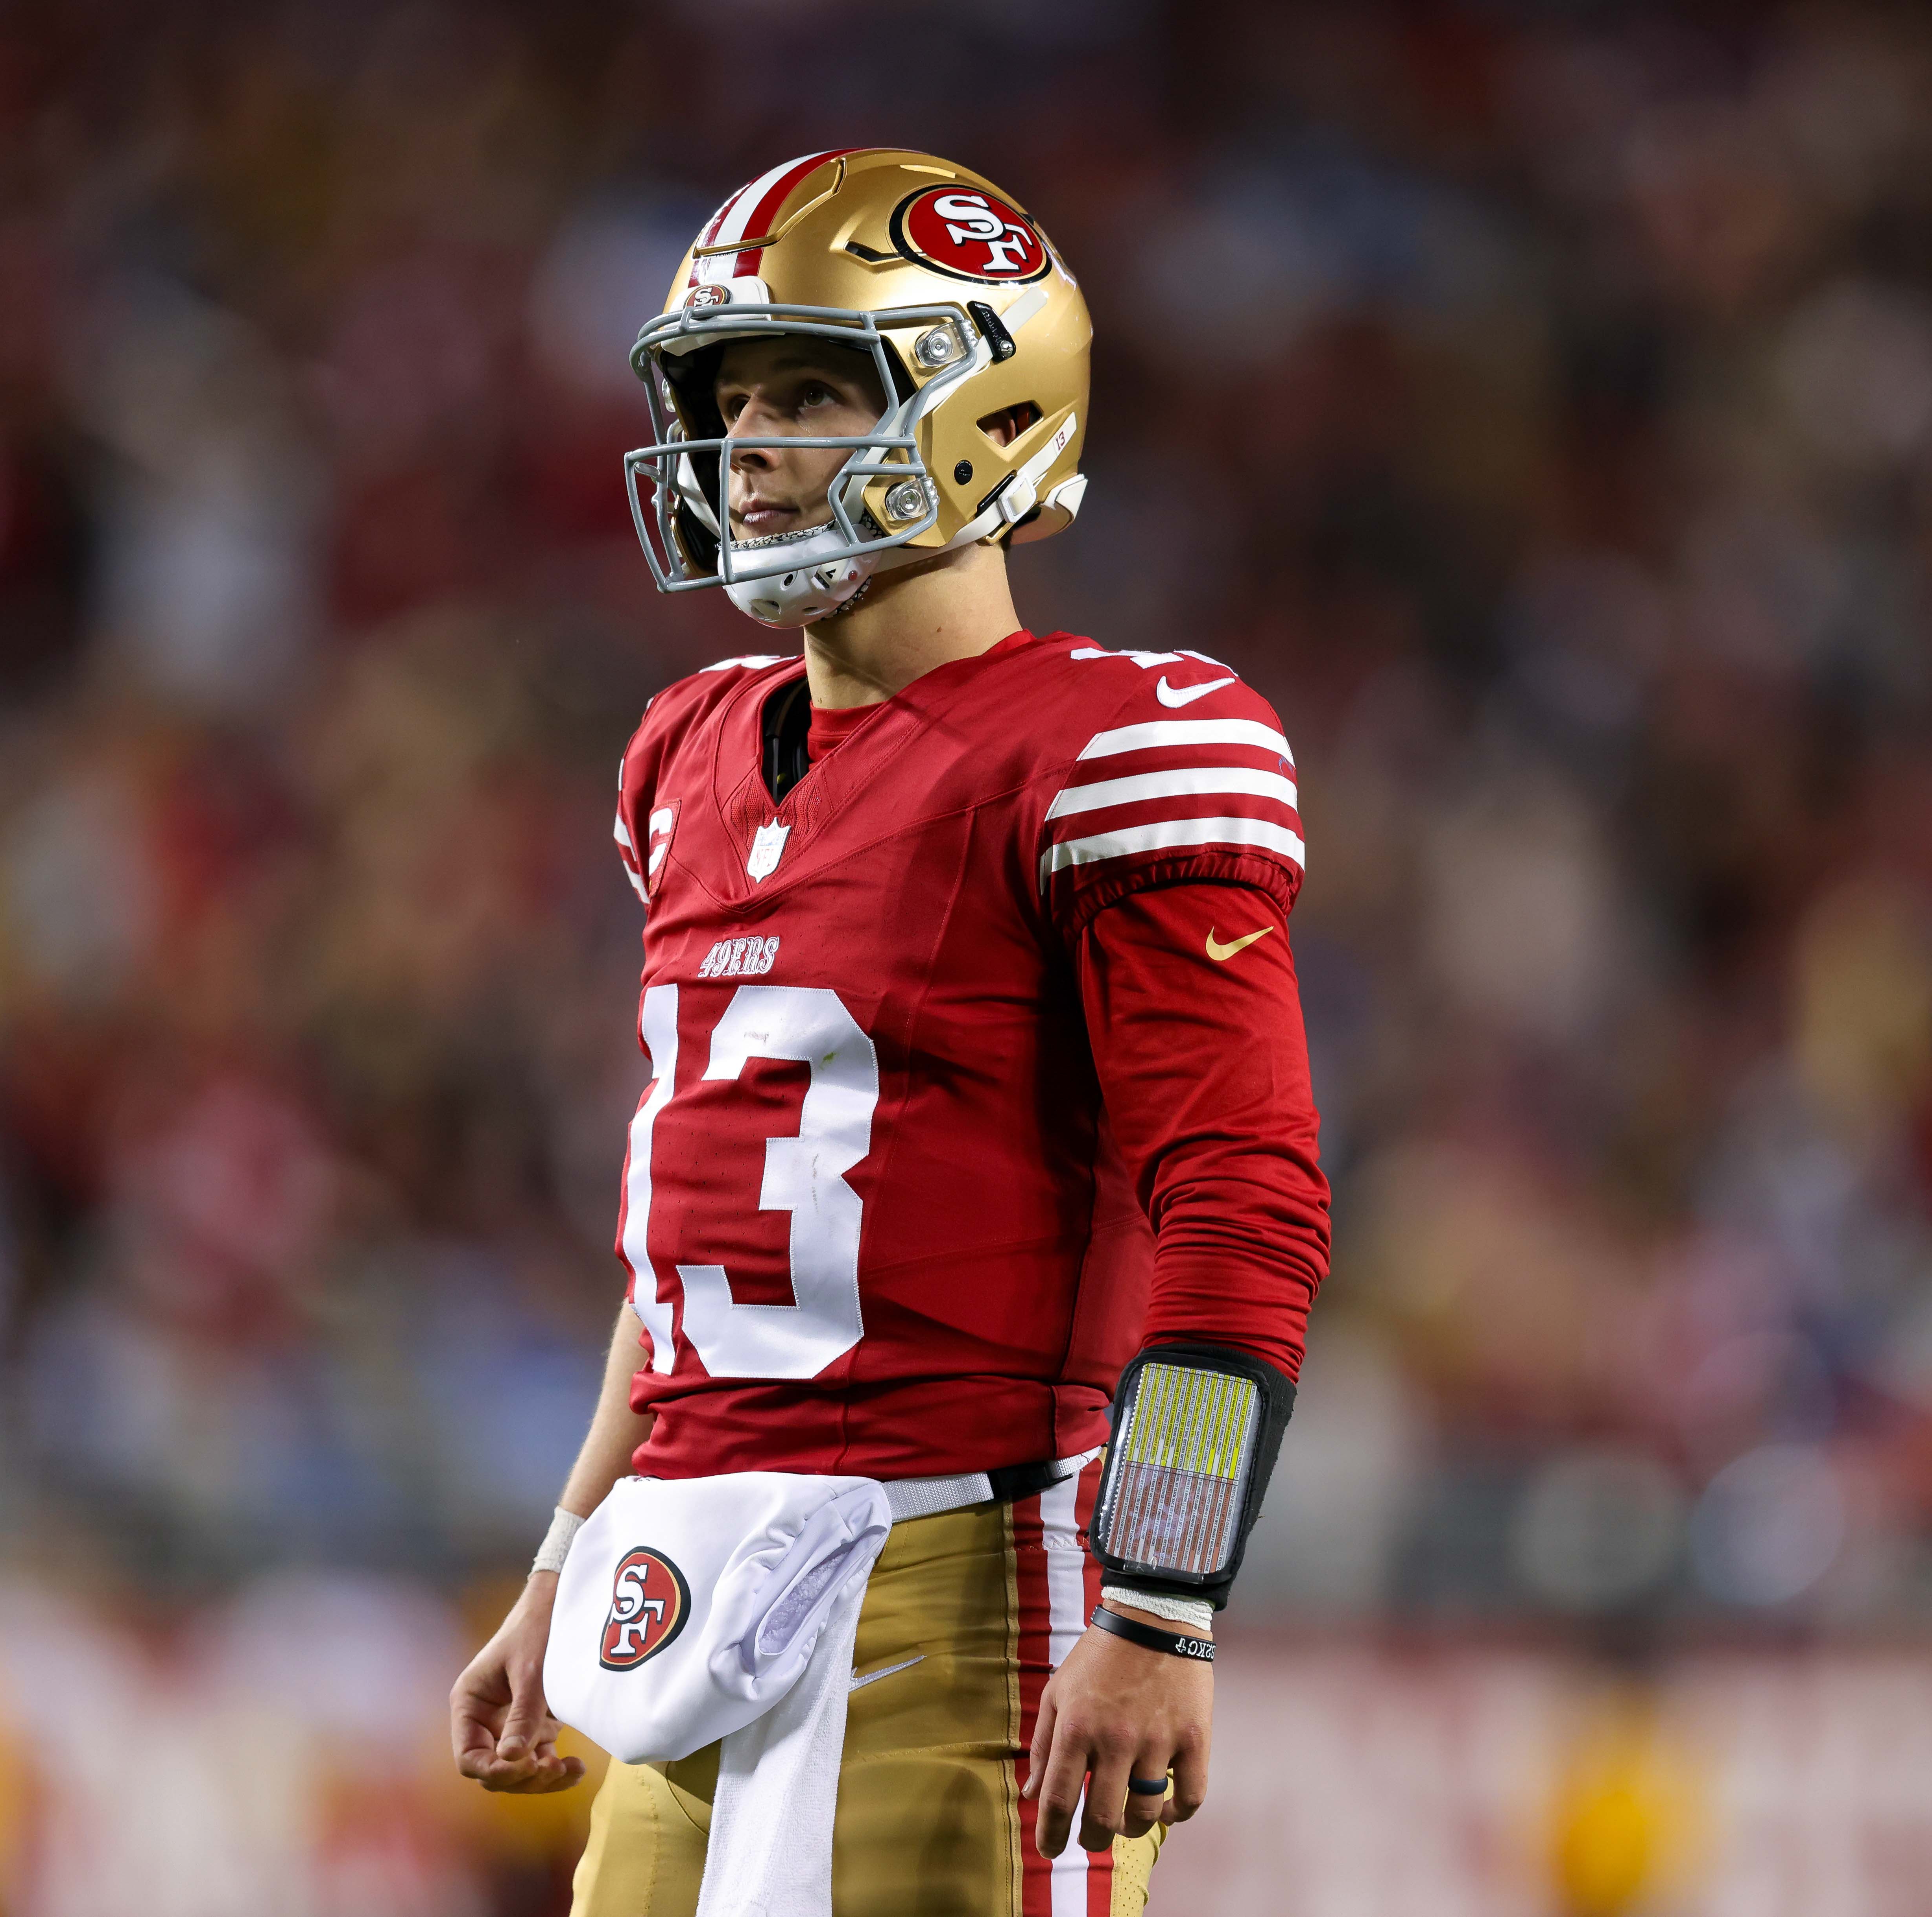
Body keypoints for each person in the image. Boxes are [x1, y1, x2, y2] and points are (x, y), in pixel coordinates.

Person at [448, 148, 1330, 1917]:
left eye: (811, 388)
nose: (751, 442)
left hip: (963, 1570)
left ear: (983, 405)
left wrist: (1162, 1603)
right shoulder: (688, 754)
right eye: (733, 397)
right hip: (680, 1577)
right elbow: (690, 1248)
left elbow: (1243, 1209)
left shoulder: (1117, 744)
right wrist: (564, 1556)